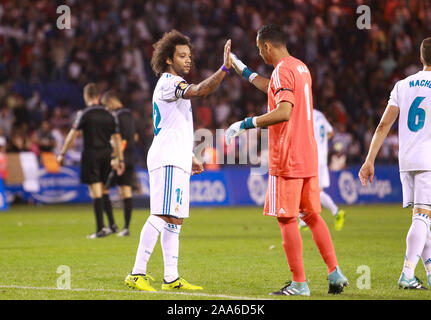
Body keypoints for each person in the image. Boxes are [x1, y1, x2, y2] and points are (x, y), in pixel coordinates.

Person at [226, 24, 348, 296]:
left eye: (260, 50)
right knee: (313, 215)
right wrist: (242, 70)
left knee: (286, 219)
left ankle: (299, 283)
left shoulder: (282, 69)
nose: (261, 55)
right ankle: (334, 272)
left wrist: (246, 123)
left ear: (267, 46)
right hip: (308, 155)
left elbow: (283, 112)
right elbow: (272, 89)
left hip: (288, 155)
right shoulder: (300, 67)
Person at [124, 30, 232, 292]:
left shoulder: (172, 84)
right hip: (167, 157)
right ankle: (137, 273)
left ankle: (171, 278)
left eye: (189, 55)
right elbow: (200, 90)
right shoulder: (169, 82)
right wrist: (224, 70)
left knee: (175, 219)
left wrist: (190, 155)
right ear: (169, 60)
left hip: (178, 157)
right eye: (182, 55)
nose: (188, 60)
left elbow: (177, 124)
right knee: (162, 214)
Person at [359, 37, 431, 290]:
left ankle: (430, 272)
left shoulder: (403, 84)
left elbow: (383, 125)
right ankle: (407, 274)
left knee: (422, 216)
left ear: (420, 58)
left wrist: (369, 160)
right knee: (423, 216)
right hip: (428, 160)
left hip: (406, 159)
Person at [57, 83, 125, 239]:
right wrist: (119, 158)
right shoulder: (109, 114)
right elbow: (117, 138)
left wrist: (62, 153)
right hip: (107, 155)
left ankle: (100, 229)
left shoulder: (84, 114)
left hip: (91, 154)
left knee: (95, 191)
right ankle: (112, 224)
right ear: (99, 96)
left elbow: (72, 136)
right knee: (104, 190)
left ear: (86, 96)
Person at [299, 109, 346, 231]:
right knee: (313, 189)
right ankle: (304, 220)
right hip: (322, 157)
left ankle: (335, 212)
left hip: (312, 156)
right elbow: (330, 132)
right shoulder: (320, 114)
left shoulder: (304, 114)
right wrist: (322, 142)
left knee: (305, 187)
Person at [101, 90, 137, 237]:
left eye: (106, 106)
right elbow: (134, 137)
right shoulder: (130, 115)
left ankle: (112, 225)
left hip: (119, 157)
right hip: (130, 156)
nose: (106, 109)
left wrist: (117, 157)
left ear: (111, 102)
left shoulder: (116, 116)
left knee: (102, 190)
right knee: (126, 191)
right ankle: (126, 228)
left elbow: (119, 138)